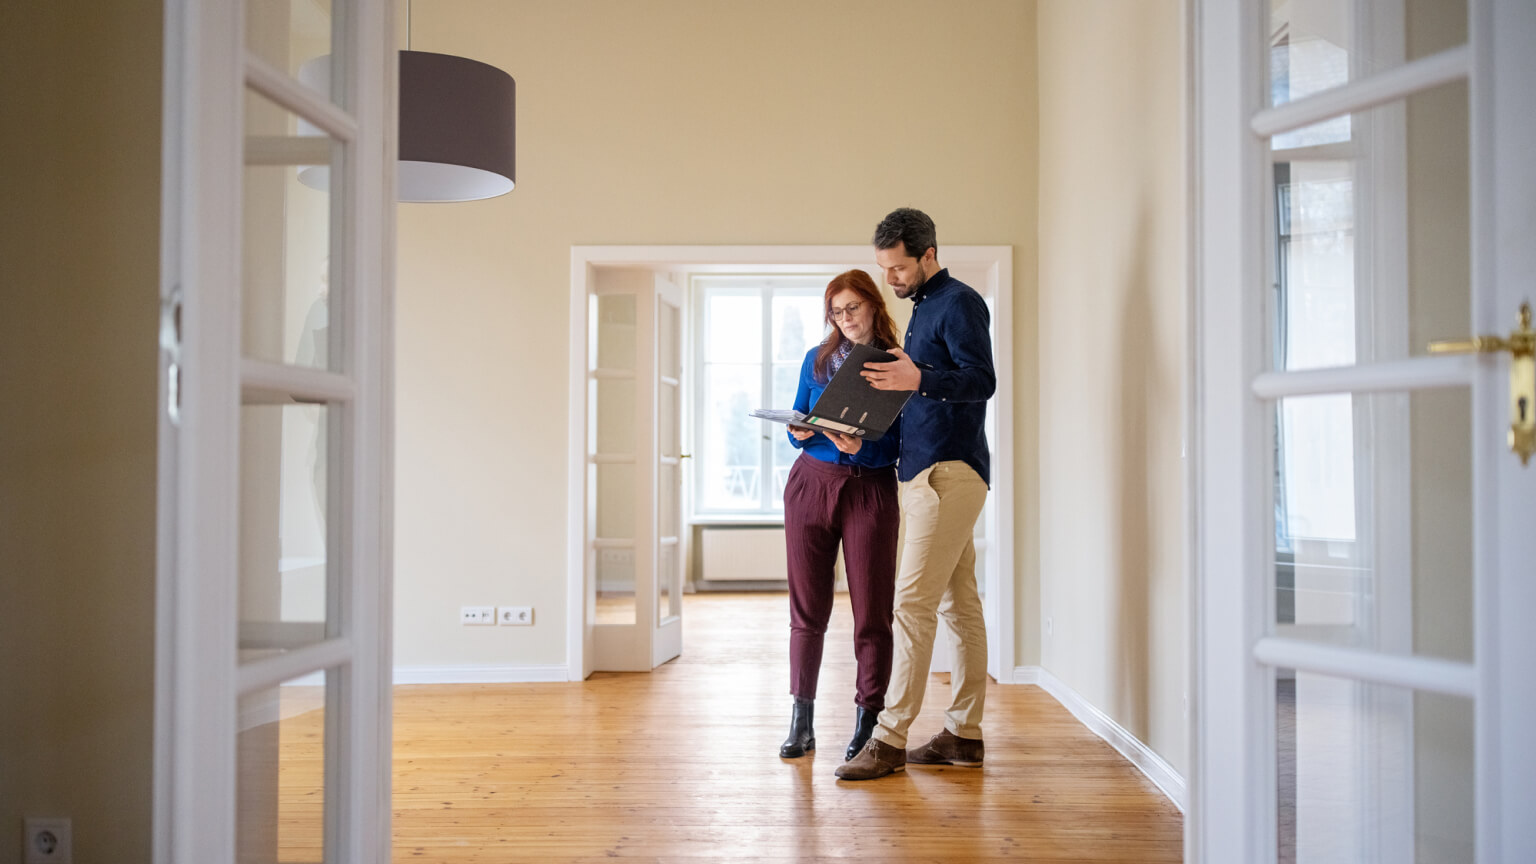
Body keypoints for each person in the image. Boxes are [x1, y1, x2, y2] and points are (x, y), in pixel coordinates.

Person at [837, 208, 996, 781]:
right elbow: (920, 401)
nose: (891, 280)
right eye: (885, 269)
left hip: (947, 475)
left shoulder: (958, 302)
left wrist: (920, 378)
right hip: (927, 473)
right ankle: (963, 735)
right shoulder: (922, 311)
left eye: (898, 268)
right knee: (959, 604)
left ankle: (889, 737)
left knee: (910, 606)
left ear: (928, 254)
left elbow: (983, 381)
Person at [778, 269, 904, 763]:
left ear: (873, 305)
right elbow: (797, 417)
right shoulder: (817, 359)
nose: (845, 318)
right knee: (807, 610)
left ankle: (868, 719)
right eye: (836, 310)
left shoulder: (897, 363)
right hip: (810, 483)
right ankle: (801, 719)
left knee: (872, 613)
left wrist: (864, 445)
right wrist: (801, 433)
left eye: (852, 307)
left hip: (869, 489)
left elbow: (901, 443)